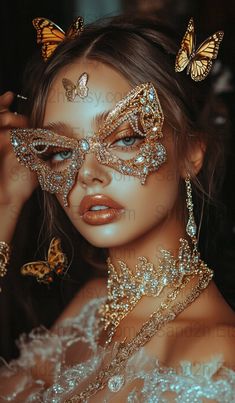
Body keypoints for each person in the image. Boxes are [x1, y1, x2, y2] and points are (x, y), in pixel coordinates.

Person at [0, 14, 235, 402]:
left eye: (124, 139)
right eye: (61, 151)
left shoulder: (218, 358)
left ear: (192, 152)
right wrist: (6, 203)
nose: (88, 173)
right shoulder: (90, 309)